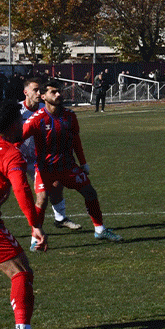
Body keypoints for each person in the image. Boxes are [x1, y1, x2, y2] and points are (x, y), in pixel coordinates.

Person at [23, 79, 122, 243]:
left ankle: (100, 230)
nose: (58, 94)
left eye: (59, 91)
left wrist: (83, 163)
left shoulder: (70, 116)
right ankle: (35, 238)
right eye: (53, 92)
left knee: (90, 192)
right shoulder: (36, 119)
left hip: (68, 166)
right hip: (45, 168)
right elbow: (17, 138)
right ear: (43, 96)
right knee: (42, 199)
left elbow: (76, 140)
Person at [0, 101, 59, 329]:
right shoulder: (10, 154)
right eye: (20, 121)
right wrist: (35, 225)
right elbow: (22, 190)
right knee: (21, 271)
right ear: (13, 125)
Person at [20, 76, 79, 233]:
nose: (39, 93)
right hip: (18, 159)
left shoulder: (45, 108)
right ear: (26, 92)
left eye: (40, 90)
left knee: (55, 186)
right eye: (35, 90)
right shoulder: (17, 111)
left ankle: (60, 219)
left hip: (38, 159)